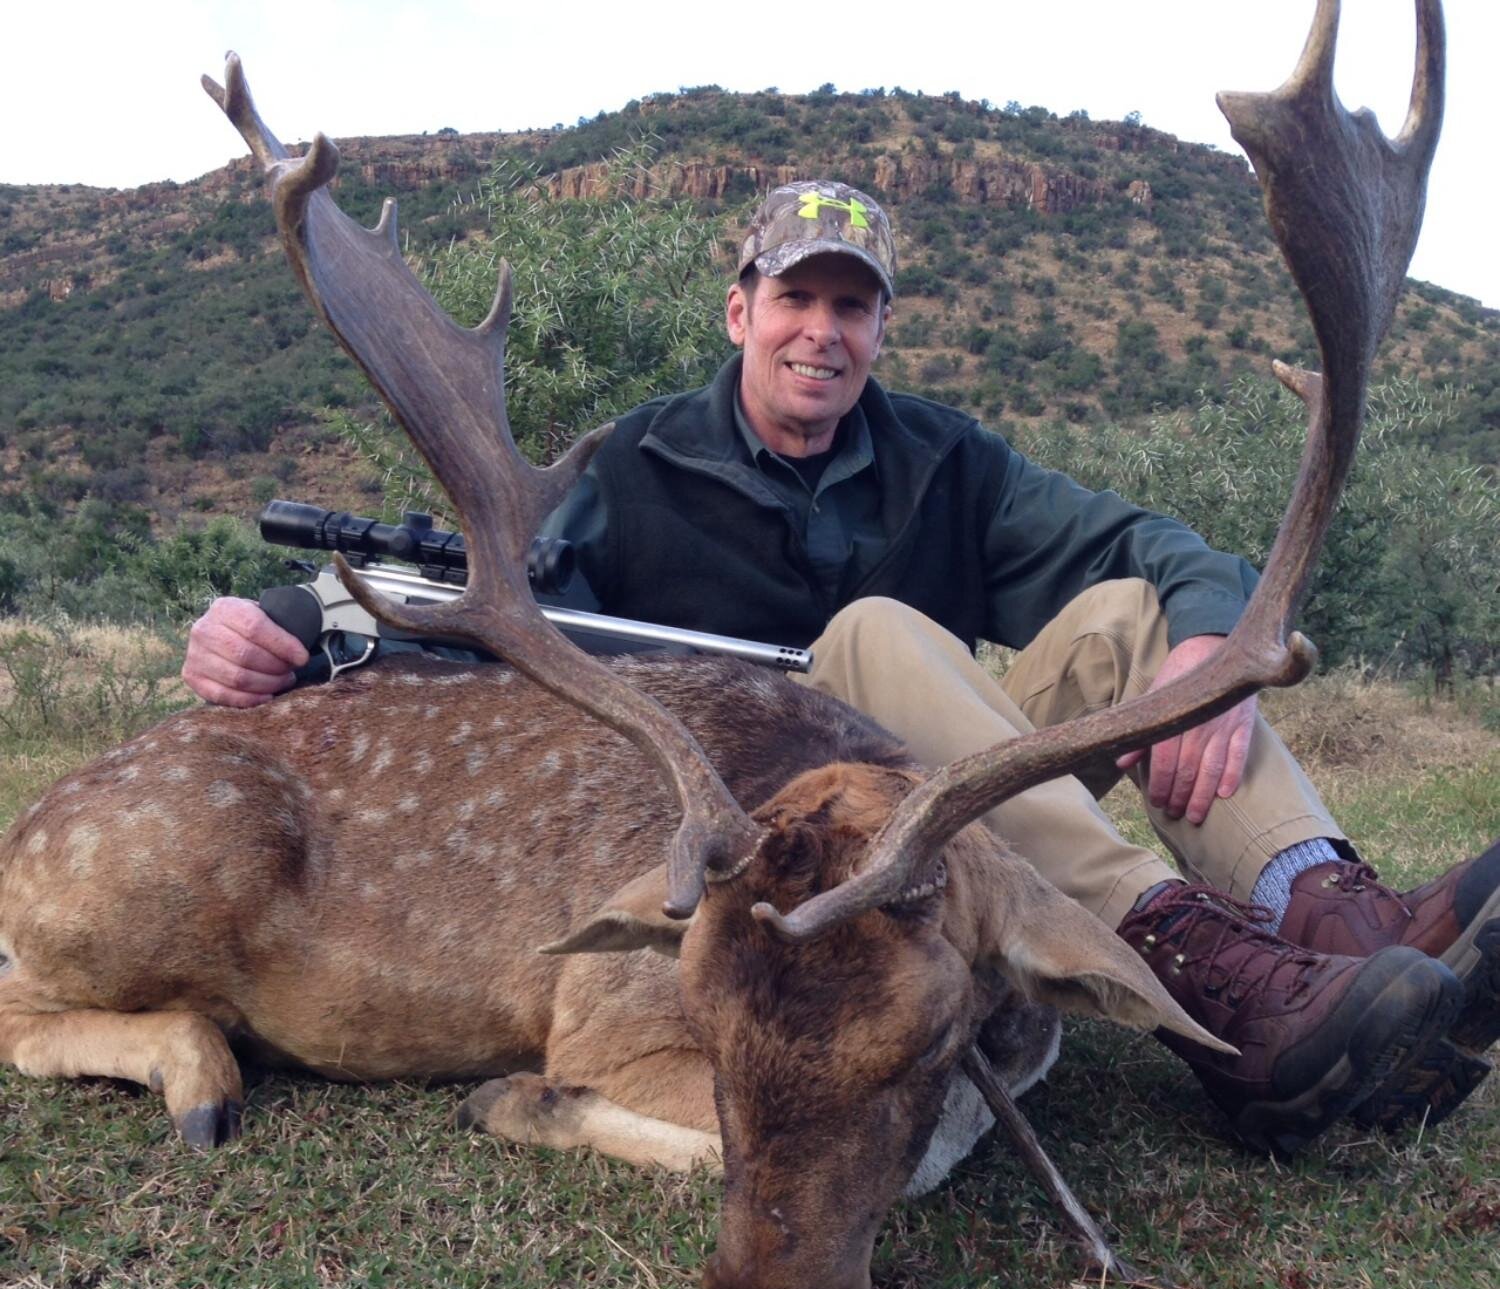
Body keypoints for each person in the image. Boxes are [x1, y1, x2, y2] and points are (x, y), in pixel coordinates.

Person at [182, 181, 1499, 1157]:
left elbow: (1149, 546)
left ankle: (1335, 918)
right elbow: (494, 599)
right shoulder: (634, 463)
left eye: (852, 306)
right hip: (791, 821)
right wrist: (293, 617)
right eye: (797, 298)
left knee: (1126, 621)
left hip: (955, 784)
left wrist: (1208, 632)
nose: (823, 332)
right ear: (741, 308)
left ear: (880, 329)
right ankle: (1188, 961)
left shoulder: (945, 456)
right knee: (868, 636)